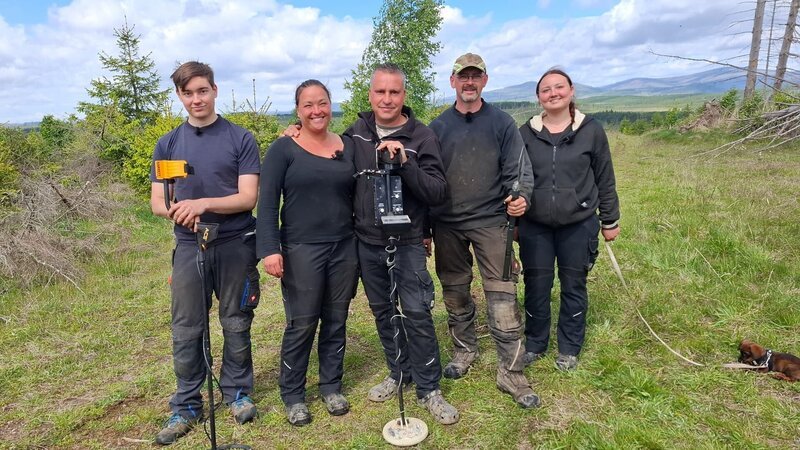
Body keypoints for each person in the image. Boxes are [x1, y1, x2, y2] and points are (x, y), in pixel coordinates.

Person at [150, 61, 260, 445]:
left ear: (214, 90)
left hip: (234, 243)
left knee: (235, 320)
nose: (196, 99)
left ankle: (237, 392)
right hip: (187, 247)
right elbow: (159, 203)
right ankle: (187, 403)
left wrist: (201, 204)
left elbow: (248, 196)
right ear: (180, 96)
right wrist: (178, 210)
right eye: (188, 93)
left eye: (202, 90)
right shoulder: (168, 144)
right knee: (187, 328)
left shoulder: (239, 138)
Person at [347, 64, 458, 424]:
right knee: (383, 313)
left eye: (394, 92)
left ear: (404, 96)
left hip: (408, 242)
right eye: (380, 91)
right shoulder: (357, 134)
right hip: (367, 241)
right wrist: (296, 133)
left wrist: (406, 163)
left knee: (416, 313)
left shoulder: (422, 136)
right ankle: (399, 373)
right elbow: (328, 162)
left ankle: (429, 389)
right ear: (370, 94)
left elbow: (438, 193)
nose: (387, 99)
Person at [428, 53, 539, 408]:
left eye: (476, 76)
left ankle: (511, 370)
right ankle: (465, 349)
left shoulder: (502, 123)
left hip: (492, 220)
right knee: (455, 290)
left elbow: (518, 170)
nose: (469, 82)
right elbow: (428, 177)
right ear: (453, 81)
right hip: (447, 223)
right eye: (464, 77)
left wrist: (520, 197)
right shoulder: (438, 127)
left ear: (485, 81)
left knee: (503, 295)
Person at [257, 80, 359, 427]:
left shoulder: (347, 146)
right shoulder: (283, 149)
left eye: (323, 103)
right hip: (301, 248)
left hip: (345, 246)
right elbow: (267, 202)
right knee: (302, 323)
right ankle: (294, 394)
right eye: (308, 105)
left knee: (336, 319)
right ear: (298, 110)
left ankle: (331, 386)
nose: (317, 111)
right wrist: (270, 249)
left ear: (331, 105)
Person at [517, 68, 620, 371]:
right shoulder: (526, 132)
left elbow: (605, 177)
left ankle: (569, 348)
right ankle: (535, 343)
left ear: (571, 90)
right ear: (538, 97)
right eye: (546, 89)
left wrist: (610, 220)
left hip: (579, 223)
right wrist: (515, 220)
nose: (553, 93)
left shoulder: (591, 130)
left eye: (559, 87)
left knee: (573, 285)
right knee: (536, 285)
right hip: (535, 225)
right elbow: (516, 178)